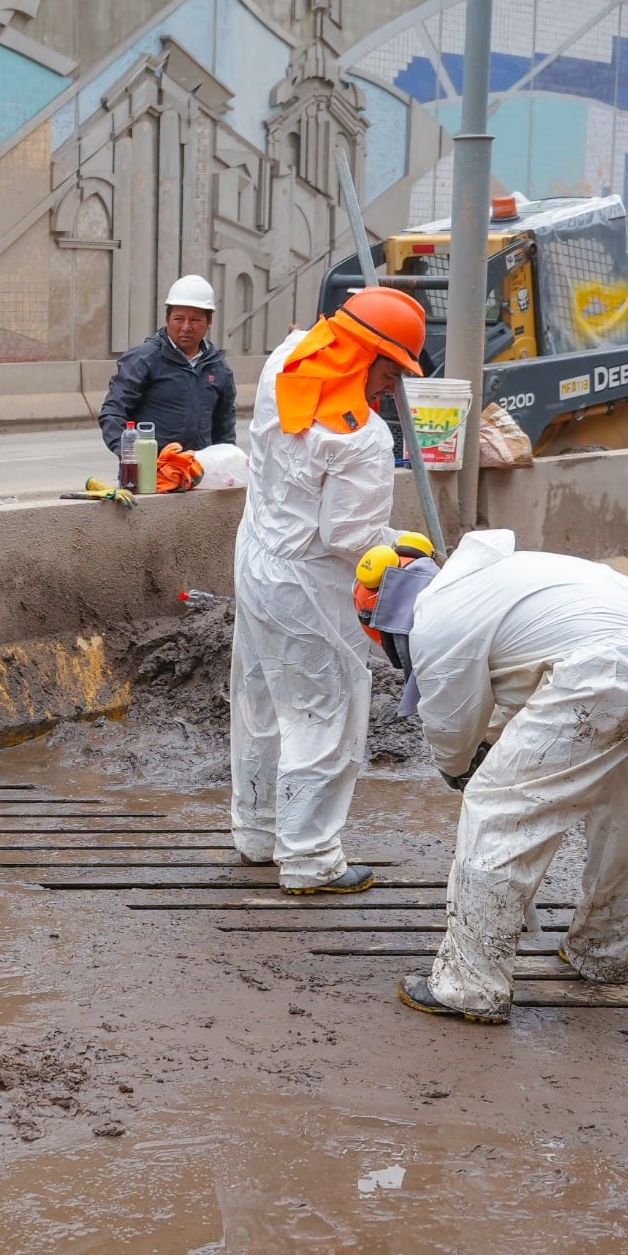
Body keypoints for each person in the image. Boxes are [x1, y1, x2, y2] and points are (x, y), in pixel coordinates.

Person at [378, 532, 628, 1023]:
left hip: (607, 668)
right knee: (623, 806)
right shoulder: (491, 580)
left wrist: (459, 770)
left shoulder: (437, 617)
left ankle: (470, 985)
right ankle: (602, 951)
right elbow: (523, 688)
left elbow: (450, 723)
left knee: (497, 806)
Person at [231, 286, 432, 893]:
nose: (392, 390)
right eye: (391, 372)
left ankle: (258, 831)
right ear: (364, 354)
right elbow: (350, 536)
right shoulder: (362, 438)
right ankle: (311, 859)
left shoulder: (285, 362)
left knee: (261, 702)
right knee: (324, 714)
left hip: (257, 558)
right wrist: (402, 542)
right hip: (309, 587)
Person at [97, 274, 236, 457]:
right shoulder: (144, 359)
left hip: (200, 475)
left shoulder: (218, 367)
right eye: (179, 319)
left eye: (195, 320)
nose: (186, 327)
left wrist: (225, 464)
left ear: (208, 322)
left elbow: (224, 427)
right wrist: (133, 457)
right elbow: (113, 413)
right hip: (151, 476)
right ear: (167, 319)